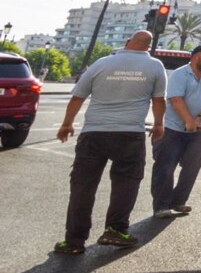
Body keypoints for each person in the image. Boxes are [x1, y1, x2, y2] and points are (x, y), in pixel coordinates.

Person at [53, 30, 167, 255]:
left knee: (83, 186)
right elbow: (159, 100)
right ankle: (116, 230)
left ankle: (74, 241)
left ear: (127, 42)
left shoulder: (101, 63)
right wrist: (159, 125)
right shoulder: (155, 66)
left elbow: (78, 96)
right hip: (129, 134)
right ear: (148, 46)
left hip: (94, 133)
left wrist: (67, 123)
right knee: (126, 183)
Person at [151, 44, 201, 219]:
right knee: (165, 168)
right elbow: (175, 99)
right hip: (174, 129)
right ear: (196, 56)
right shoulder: (180, 74)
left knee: (192, 167)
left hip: (197, 129)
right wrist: (188, 120)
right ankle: (161, 205)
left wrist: (199, 118)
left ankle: (178, 201)